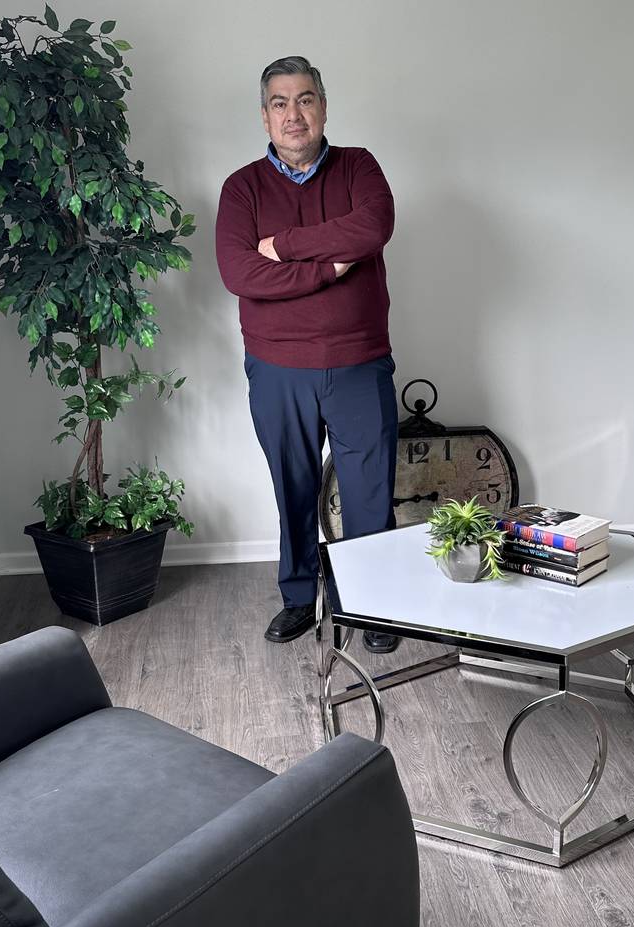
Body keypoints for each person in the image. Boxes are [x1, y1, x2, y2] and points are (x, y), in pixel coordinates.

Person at [216, 56, 400, 653]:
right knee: (291, 485)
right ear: (264, 116)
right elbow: (238, 271)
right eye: (280, 103)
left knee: (369, 489)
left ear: (323, 105)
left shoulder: (358, 167)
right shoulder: (241, 187)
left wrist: (287, 248)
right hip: (277, 367)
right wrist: (326, 270)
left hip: (358, 359)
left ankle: (371, 605)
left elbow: (373, 226)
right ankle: (299, 597)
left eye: (305, 100)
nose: (294, 114)